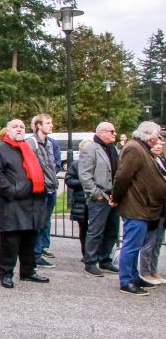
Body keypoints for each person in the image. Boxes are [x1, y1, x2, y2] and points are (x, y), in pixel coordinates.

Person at [0, 119, 50, 289]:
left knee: (30, 240)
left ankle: (28, 271)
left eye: (22, 127)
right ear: (8, 131)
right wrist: (13, 190)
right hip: (11, 203)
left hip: (32, 202)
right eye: (15, 127)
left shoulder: (28, 148)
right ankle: (6, 273)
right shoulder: (0, 150)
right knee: (10, 241)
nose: (19, 129)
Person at [112, 121, 166, 296]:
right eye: (157, 134)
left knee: (136, 245)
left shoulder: (142, 149)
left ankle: (134, 276)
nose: (159, 138)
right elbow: (123, 176)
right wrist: (116, 196)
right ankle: (126, 281)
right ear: (151, 136)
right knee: (131, 245)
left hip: (145, 206)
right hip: (136, 206)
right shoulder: (134, 148)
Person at [78, 122, 121, 277]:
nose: (114, 134)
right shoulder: (90, 149)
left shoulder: (113, 149)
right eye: (112, 131)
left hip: (114, 196)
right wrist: (98, 194)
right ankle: (90, 262)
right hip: (99, 197)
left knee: (112, 231)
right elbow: (85, 175)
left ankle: (105, 260)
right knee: (96, 231)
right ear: (102, 132)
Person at [27, 114, 59, 268]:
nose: (51, 125)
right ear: (39, 125)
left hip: (50, 188)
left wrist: (53, 183)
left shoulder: (50, 144)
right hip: (40, 189)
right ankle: (35, 255)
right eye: (47, 123)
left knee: (44, 223)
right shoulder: (31, 142)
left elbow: (52, 165)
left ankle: (38, 253)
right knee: (38, 224)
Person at [140, 139, 166, 285]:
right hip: (151, 207)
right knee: (149, 241)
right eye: (155, 144)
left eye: (160, 144)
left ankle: (153, 270)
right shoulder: (147, 161)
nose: (158, 146)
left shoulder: (162, 160)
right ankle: (145, 271)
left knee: (157, 241)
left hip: (163, 207)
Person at [65, 139, 92, 254]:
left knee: (96, 229)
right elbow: (69, 180)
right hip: (81, 201)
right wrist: (83, 183)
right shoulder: (75, 165)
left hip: (94, 200)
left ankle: (95, 253)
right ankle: (85, 253)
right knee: (83, 229)